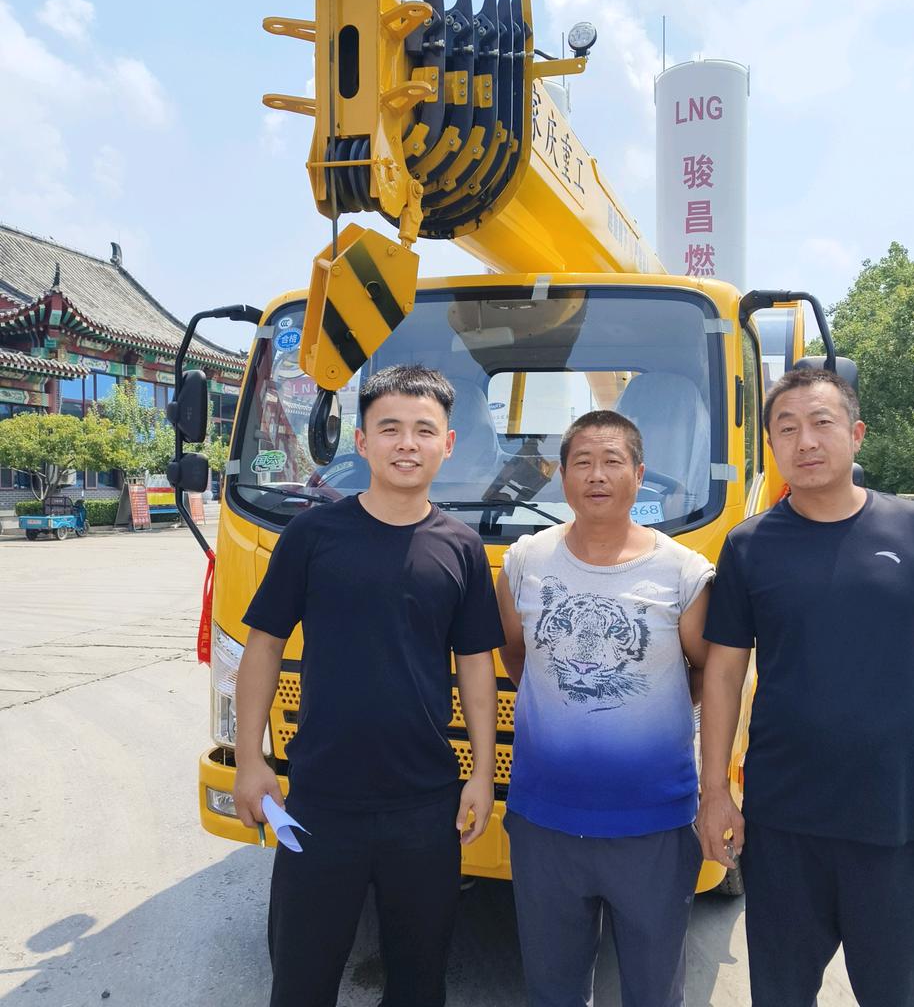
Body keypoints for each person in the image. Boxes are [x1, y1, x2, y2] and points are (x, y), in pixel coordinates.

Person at [697, 368, 914, 1007]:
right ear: (772, 447)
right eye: (786, 429)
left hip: (896, 820)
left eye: (821, 423)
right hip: (784, 825)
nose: (805, 440)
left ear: (856, 434)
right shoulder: (749, 547)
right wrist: (714, 794)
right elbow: (724, 671)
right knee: (780, 994)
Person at [232, 364, 502, 1007]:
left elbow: (474, 665)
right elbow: (264, 647)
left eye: (423, 430)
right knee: (301, 977)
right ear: (361, 442)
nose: (406, 443)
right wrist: (250, 759)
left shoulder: (461, 548)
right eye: (390, 429)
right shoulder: (312, 535)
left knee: (418, 980)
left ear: (448, 444)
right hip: (320, 802)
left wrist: (483, 771)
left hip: (425, 807)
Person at [497, 409, 713, 1007]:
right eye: (583, 462)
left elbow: (704, 674)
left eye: (612, 461)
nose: (597, 475)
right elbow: (520, 660)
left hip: (653, 823)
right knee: (553, 990)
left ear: (639, 475)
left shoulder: (684, 573)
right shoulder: (522, 564)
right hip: (544, 820)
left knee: (653, 990)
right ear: (562, 477)